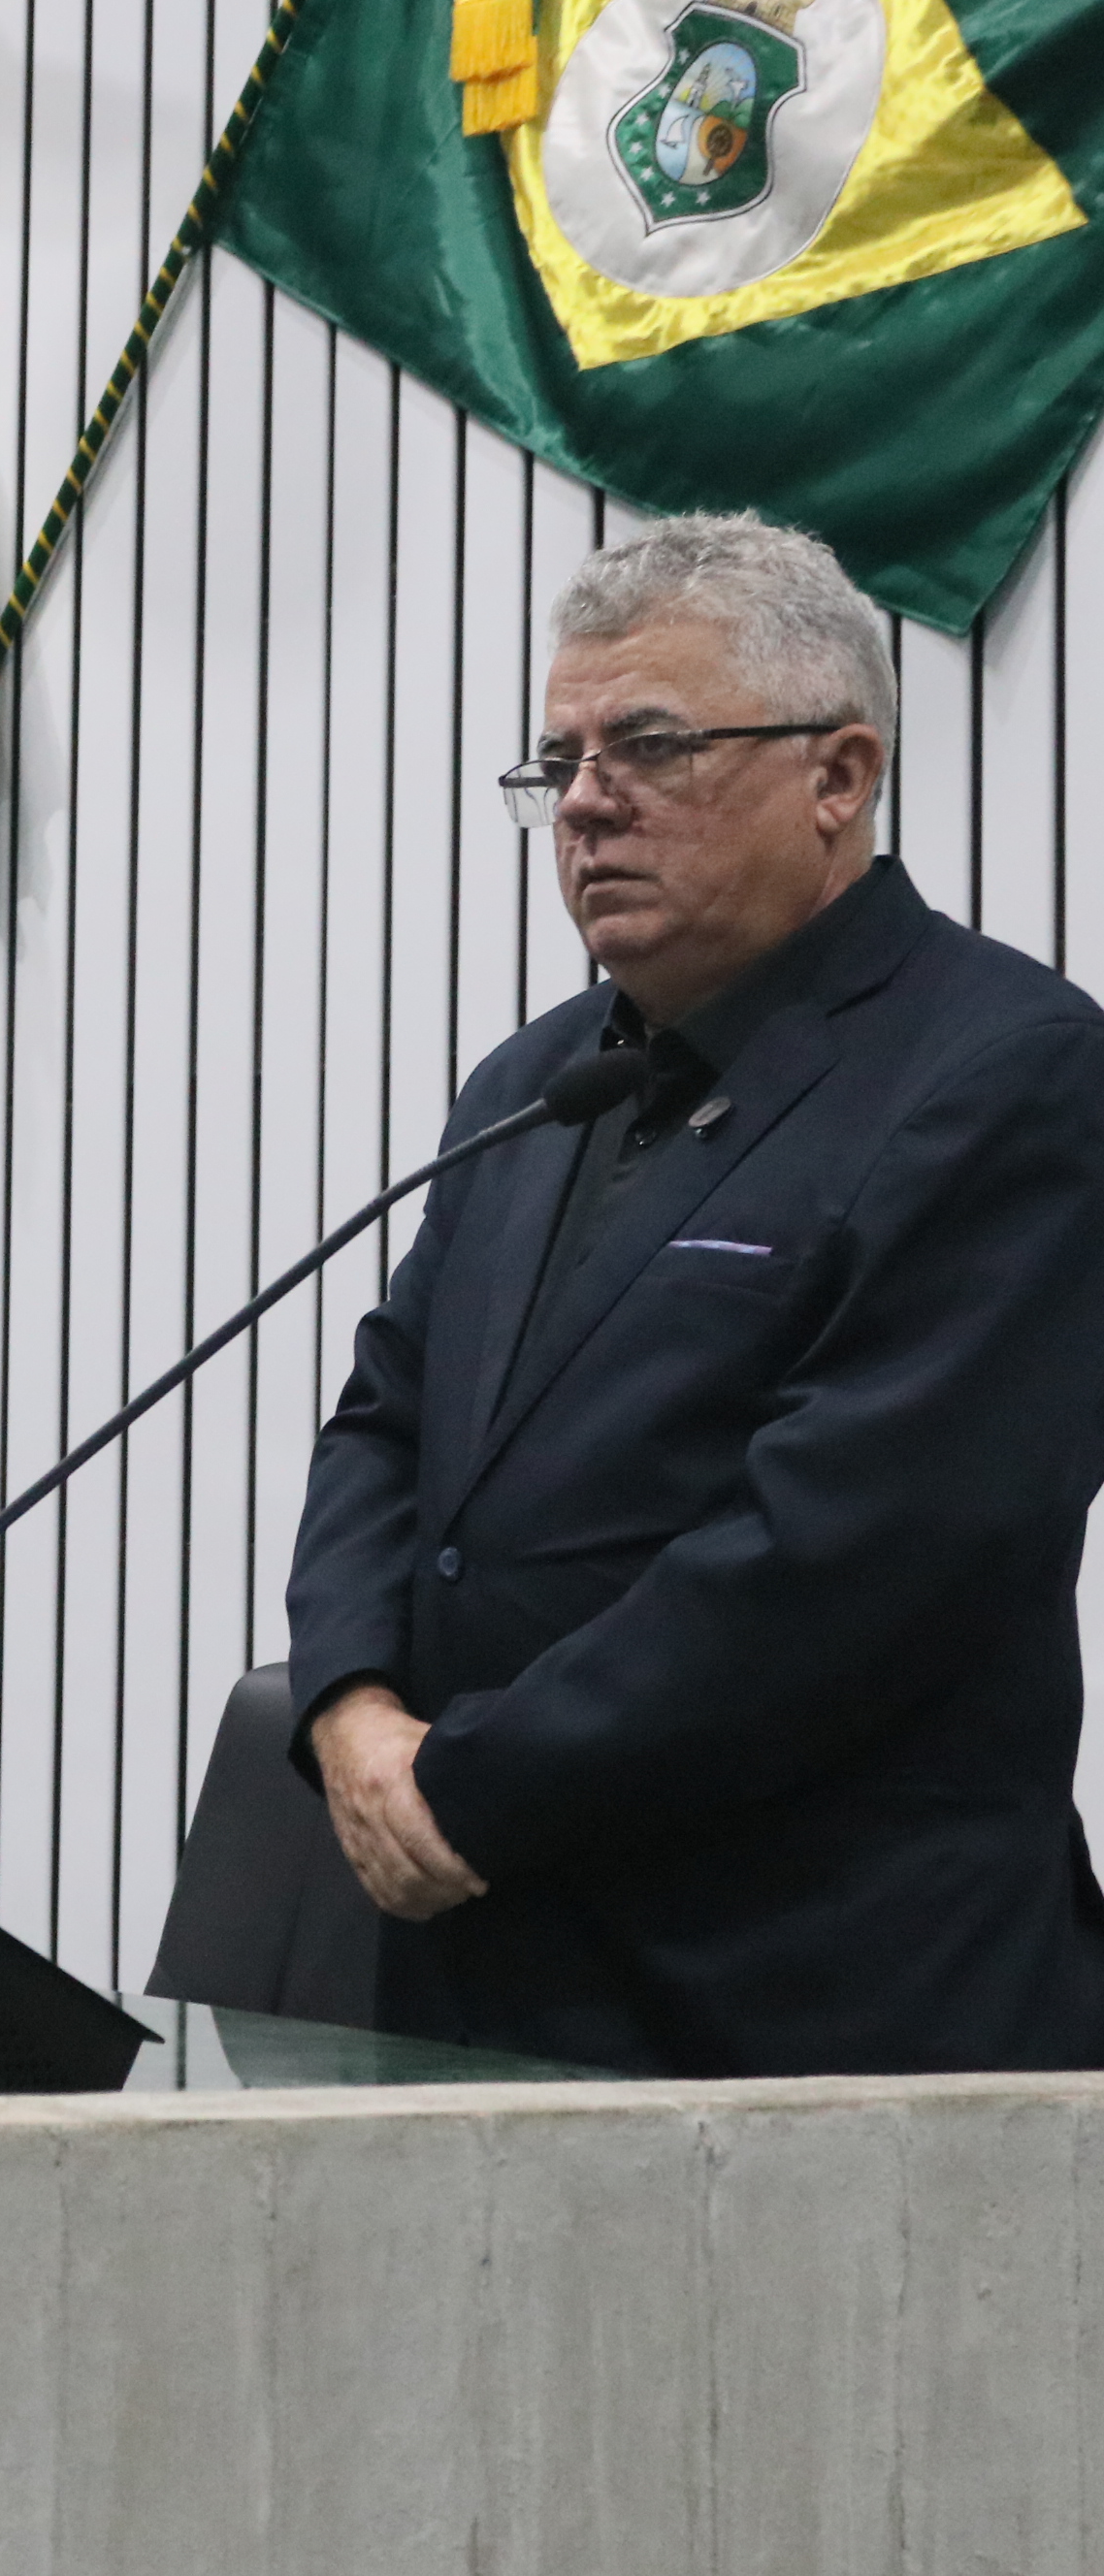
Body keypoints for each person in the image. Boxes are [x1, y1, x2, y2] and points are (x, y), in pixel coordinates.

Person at [286, 514, 1104, 2078]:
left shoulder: (1003, 1074)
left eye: (647, 746)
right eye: (558, 759)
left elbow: (848, 1555)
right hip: (483, 1964)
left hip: (816, 2001)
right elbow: (381, 1427)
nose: (584, 803)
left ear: (836, 776)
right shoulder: (534, 1084)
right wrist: (345, 1705)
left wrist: (462, 1789)